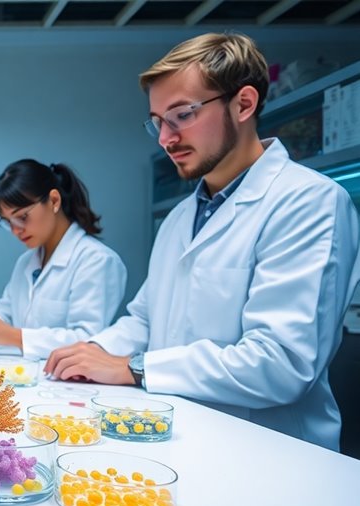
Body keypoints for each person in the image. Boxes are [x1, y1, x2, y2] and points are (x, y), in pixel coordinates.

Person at [44, 32, 360, 451]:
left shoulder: (309, 202)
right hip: (185, 436)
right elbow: (145, 318)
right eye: (157, 122)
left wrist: (134, 368)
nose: (165, 139)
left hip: (271, 454)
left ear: (244, 104)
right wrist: (89, 351)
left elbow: (281, 364)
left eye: (182, 115)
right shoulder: (180, 218)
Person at [0, 160, 127, 359]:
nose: (15, 230)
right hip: (27, 377)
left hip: (70, 386)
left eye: (22, 217)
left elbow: (88, 340)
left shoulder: (96, 260)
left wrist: (14, 337)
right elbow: (4, 314)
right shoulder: (26, 262)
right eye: (7, 222)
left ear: (54, 201)